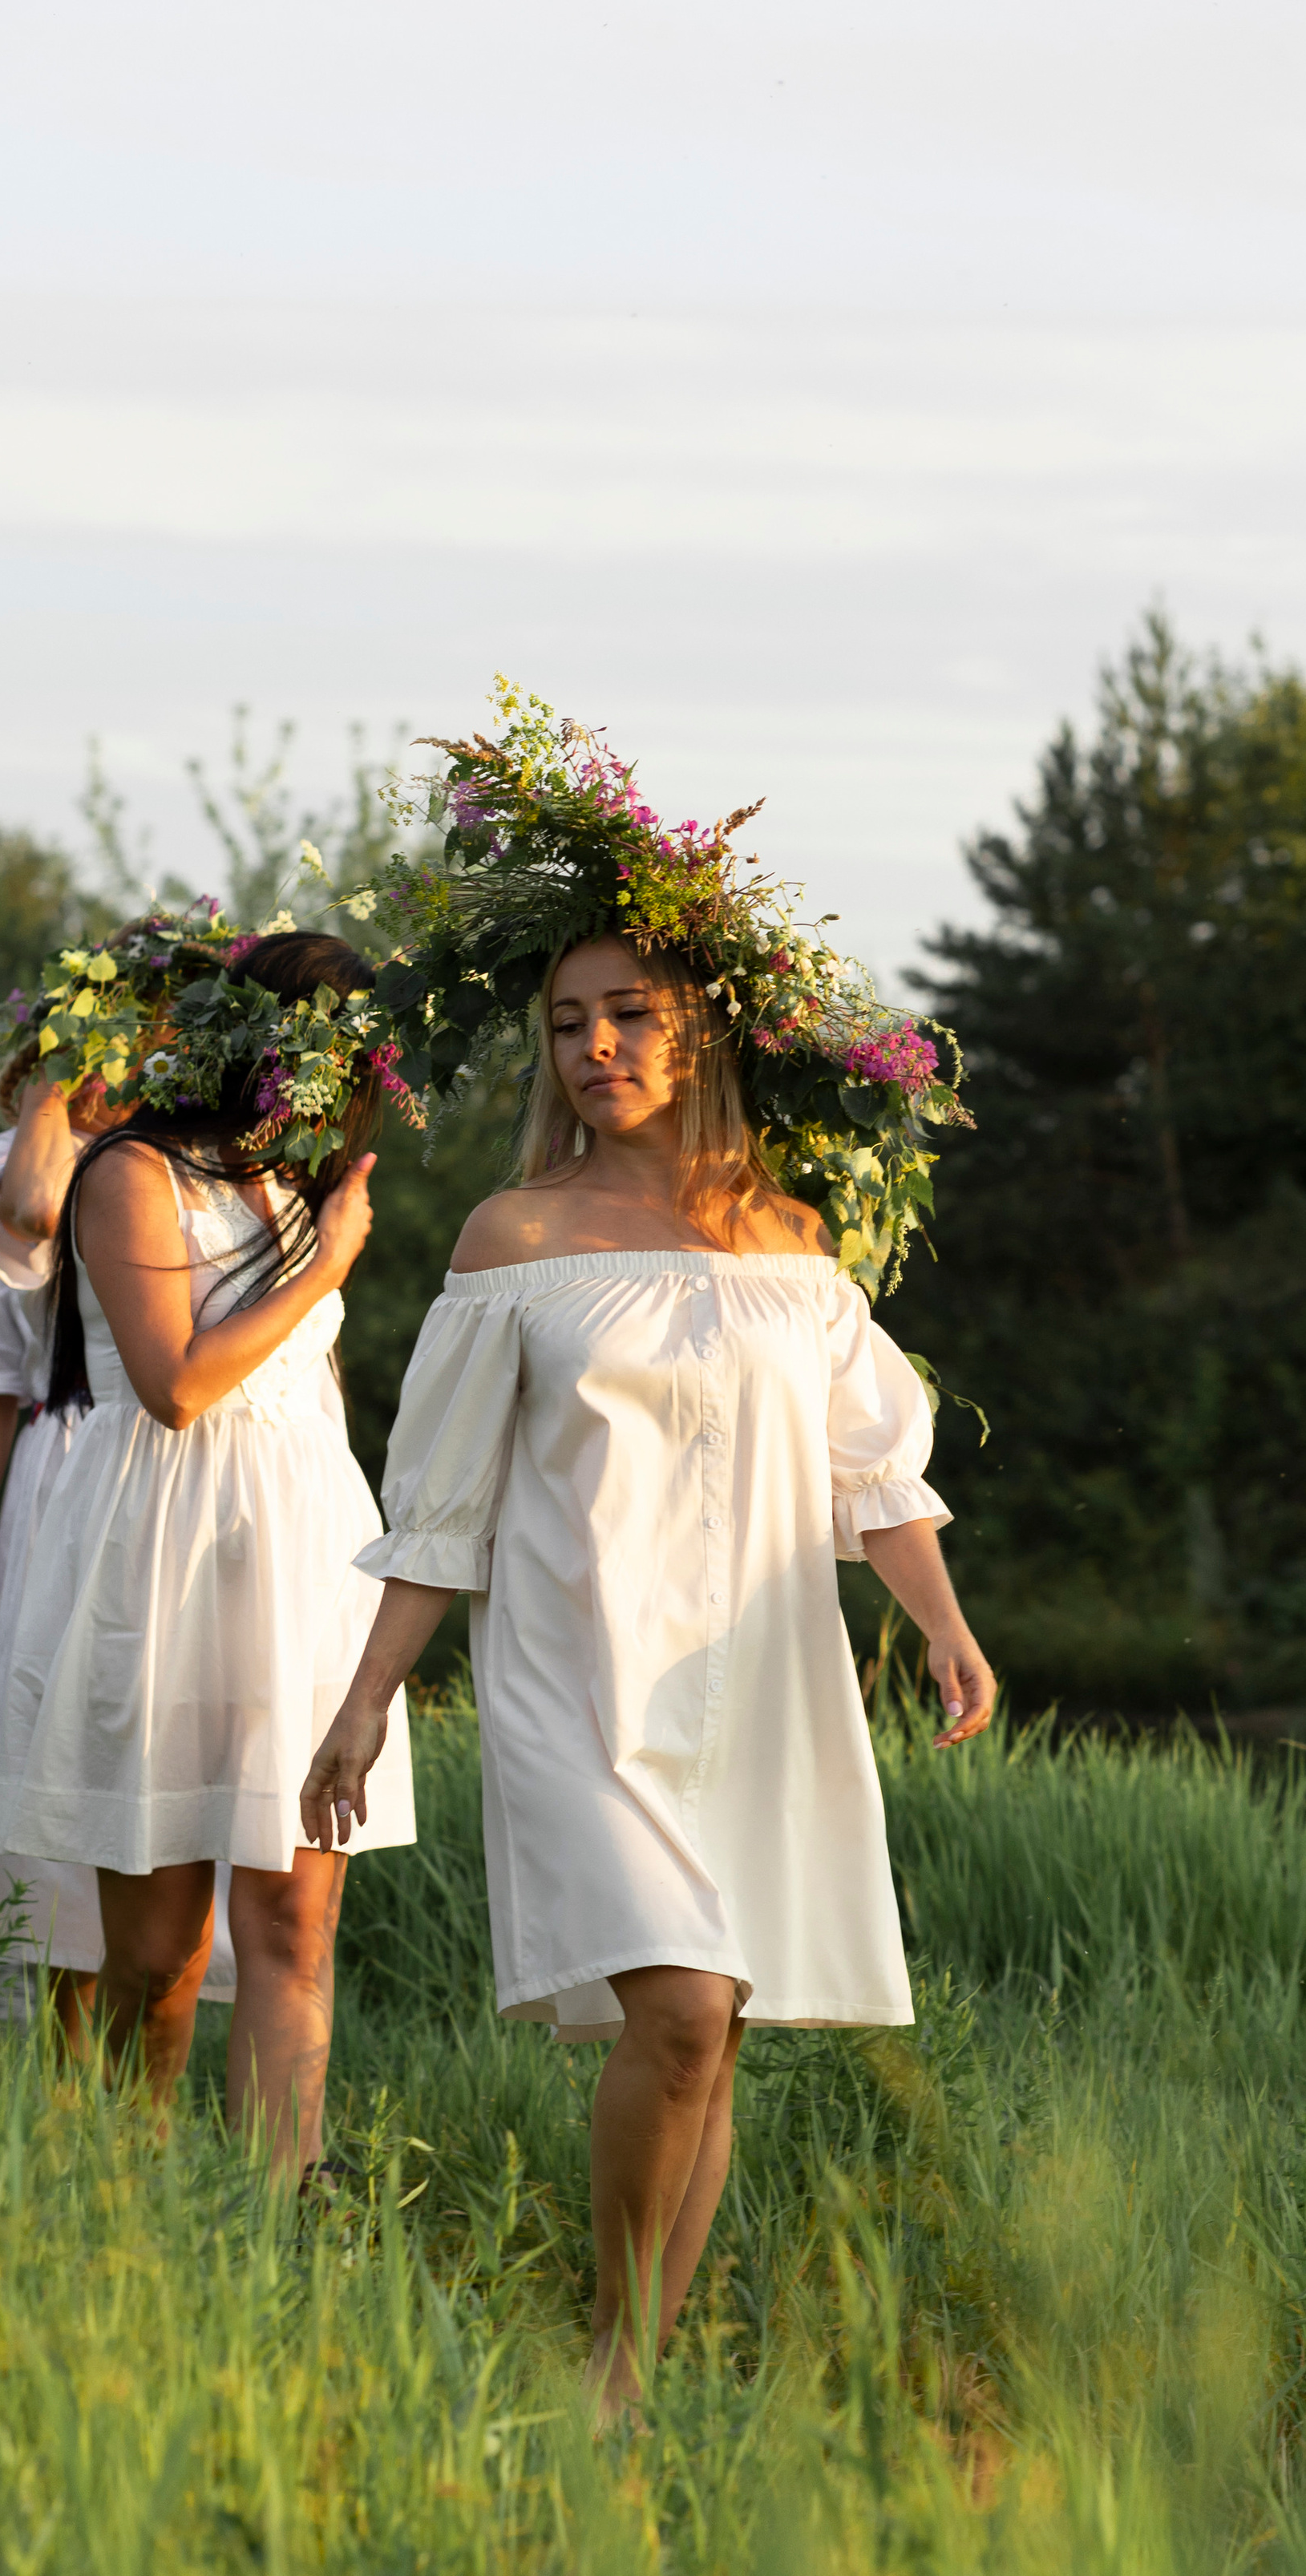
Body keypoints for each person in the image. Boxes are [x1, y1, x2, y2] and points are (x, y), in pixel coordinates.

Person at [301, 927, 993, 2414]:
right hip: (579, 1676)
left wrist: (941, 1619)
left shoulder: (791, 1242)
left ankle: (638, 2388)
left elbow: (869, 1472)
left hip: (758, 1679)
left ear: (703, 1037)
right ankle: (608, 2361)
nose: (593, 1049)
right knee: (678, 2007)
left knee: (712, 2034)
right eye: (566, 1026)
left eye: (628, 1017)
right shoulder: (515, 1240)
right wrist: (365, 1701)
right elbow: (443, 1506)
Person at [0, 930, 416, 2177]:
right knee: (159, 1954)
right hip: (163, 1561)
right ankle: (123, 2204)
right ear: (263, 1045)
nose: (346, 1083)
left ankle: (282, 2219)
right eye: (328, 1051)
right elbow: (177, 1388)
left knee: (295, 1927)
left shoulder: (294, 1188)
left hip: (300, 1563)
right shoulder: (131, 1174)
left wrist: (368, 1625)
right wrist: (329, 1264)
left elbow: (304, 1397)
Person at [0, 1037, 234, 2045]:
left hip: (188, 1468)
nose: (124, 1071)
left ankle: (149, 2097)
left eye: (145, 1044)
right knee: (65, 1766)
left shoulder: (197, 1170)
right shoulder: (9, 1169)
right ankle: (70, 2110)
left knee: (174, 1771)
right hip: (61, 1470)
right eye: (93, 1051)